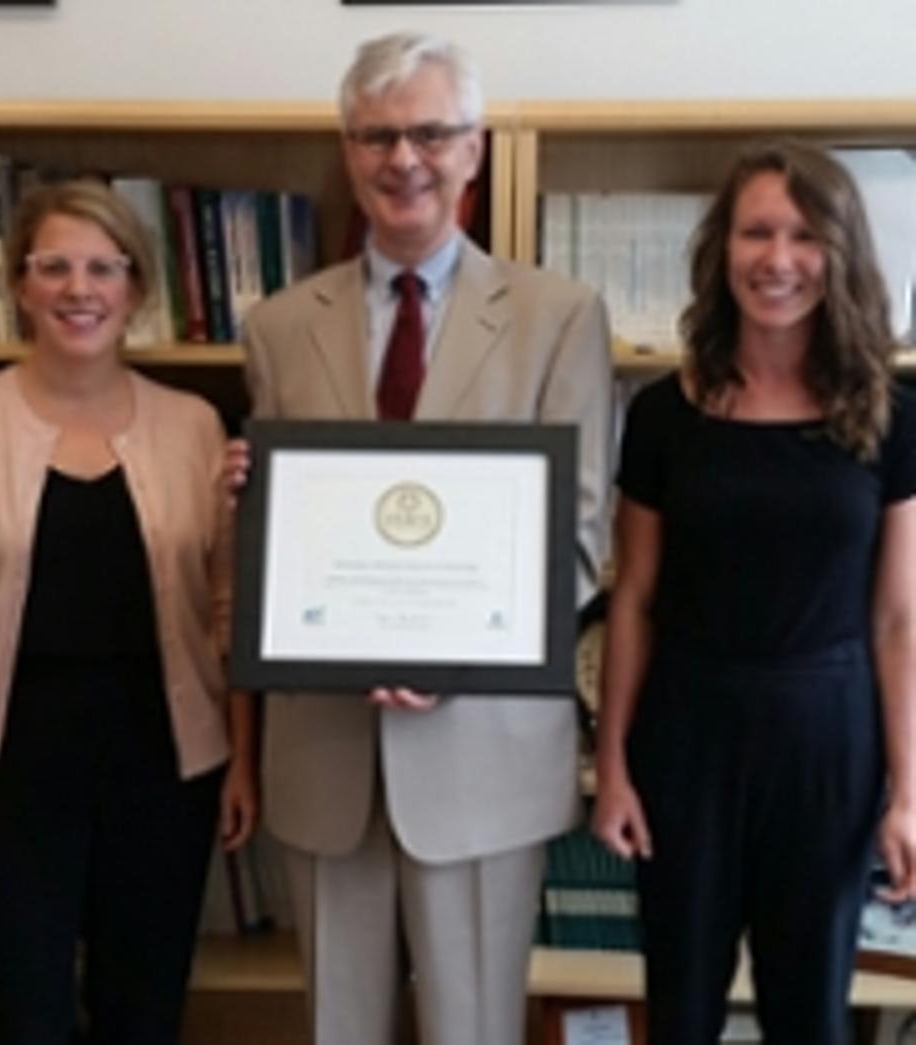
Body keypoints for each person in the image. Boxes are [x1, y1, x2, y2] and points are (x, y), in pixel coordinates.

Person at [236, 31, 614, 1045]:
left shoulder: (559, 316)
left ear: (474, 148)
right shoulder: (276, 325)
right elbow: (283, 533)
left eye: (430, 133)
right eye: (377, 135)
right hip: (324, 745)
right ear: (349, 149)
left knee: (474, 1028)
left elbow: (578, 529)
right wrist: (251, 503)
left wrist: (448, 650)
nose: (404, 158)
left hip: (481, 748)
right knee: (338, 1029)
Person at [0, 180, 255, 1045]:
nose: (80, 288)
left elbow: (230, 613)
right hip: (12, 774)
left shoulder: (196, 428)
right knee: (20, 1017)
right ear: (20, 286)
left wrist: (243, 763)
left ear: (137, 291)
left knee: (141, 1013)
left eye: (104, 268)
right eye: (54, 266)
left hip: (166, 768)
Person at [592, 140, 916, 1045]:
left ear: (840, 251)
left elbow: (898, 619)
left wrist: (909, 791)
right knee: (682, 1005)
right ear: (720, 248)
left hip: (830, 742)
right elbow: (634, 599)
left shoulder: (891, 413)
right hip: (688, 737)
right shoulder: (663, 413)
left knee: (810, 1010)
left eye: (805, 235)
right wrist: (613, 765)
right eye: (757, 232)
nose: (778, 259)